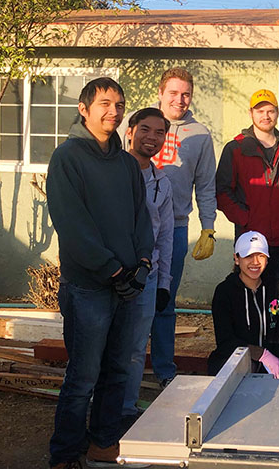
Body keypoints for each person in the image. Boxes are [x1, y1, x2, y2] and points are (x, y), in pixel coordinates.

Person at [47, 77, 154, 469]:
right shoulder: (68, 158)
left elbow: (142, 217)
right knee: (83, 377)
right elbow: (73, 226)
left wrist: (142, 262)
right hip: (89, 287)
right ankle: (65, 453)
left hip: (128, 285)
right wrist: (111, 269)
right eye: (105, 103)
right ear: (84, 108)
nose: (114, 111)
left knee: (117, 370)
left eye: (120, 104)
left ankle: (103, 441)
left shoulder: (126, 163)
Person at [150, 67, 218, 388]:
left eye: (185, 93)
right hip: (137, 229)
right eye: (173, 93)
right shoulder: (140, 126)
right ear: (161, 93)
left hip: (175, 228)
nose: (179, 99)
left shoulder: (200, 134)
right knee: (131, 301)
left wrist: (208, 226)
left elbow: (205, 185)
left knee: (165, 301)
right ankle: (125, 366)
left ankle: (164, 370)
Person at [216, 89, 279, 280]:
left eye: (270, 111)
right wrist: (245, 218)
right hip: (250, 242)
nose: (265, 116)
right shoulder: (236, 148)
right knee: (248, 293)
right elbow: (222, 191)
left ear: (277, 113)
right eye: (260, 111)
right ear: (251, 113)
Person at [121, 108, 174, 430]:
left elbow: (165, 236)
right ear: (130, 131)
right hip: (109, 276)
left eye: (159, 133)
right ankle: (98, 409)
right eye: (145, 129)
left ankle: (126, 411)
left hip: (147, 278)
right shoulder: (112, 173)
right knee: (104, 348)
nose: (151, 138)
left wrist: (164, 283)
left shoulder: (161, 183)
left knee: (136, 350)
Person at [208, 231, 279, 377]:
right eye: (248, 256)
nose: (255, 262)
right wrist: (260, 354)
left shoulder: (278, 288)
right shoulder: (225, 291)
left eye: (261, 256)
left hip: (274, 363)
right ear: (236, 258)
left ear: (267, 258)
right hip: (236, 362)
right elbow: (225, 341)